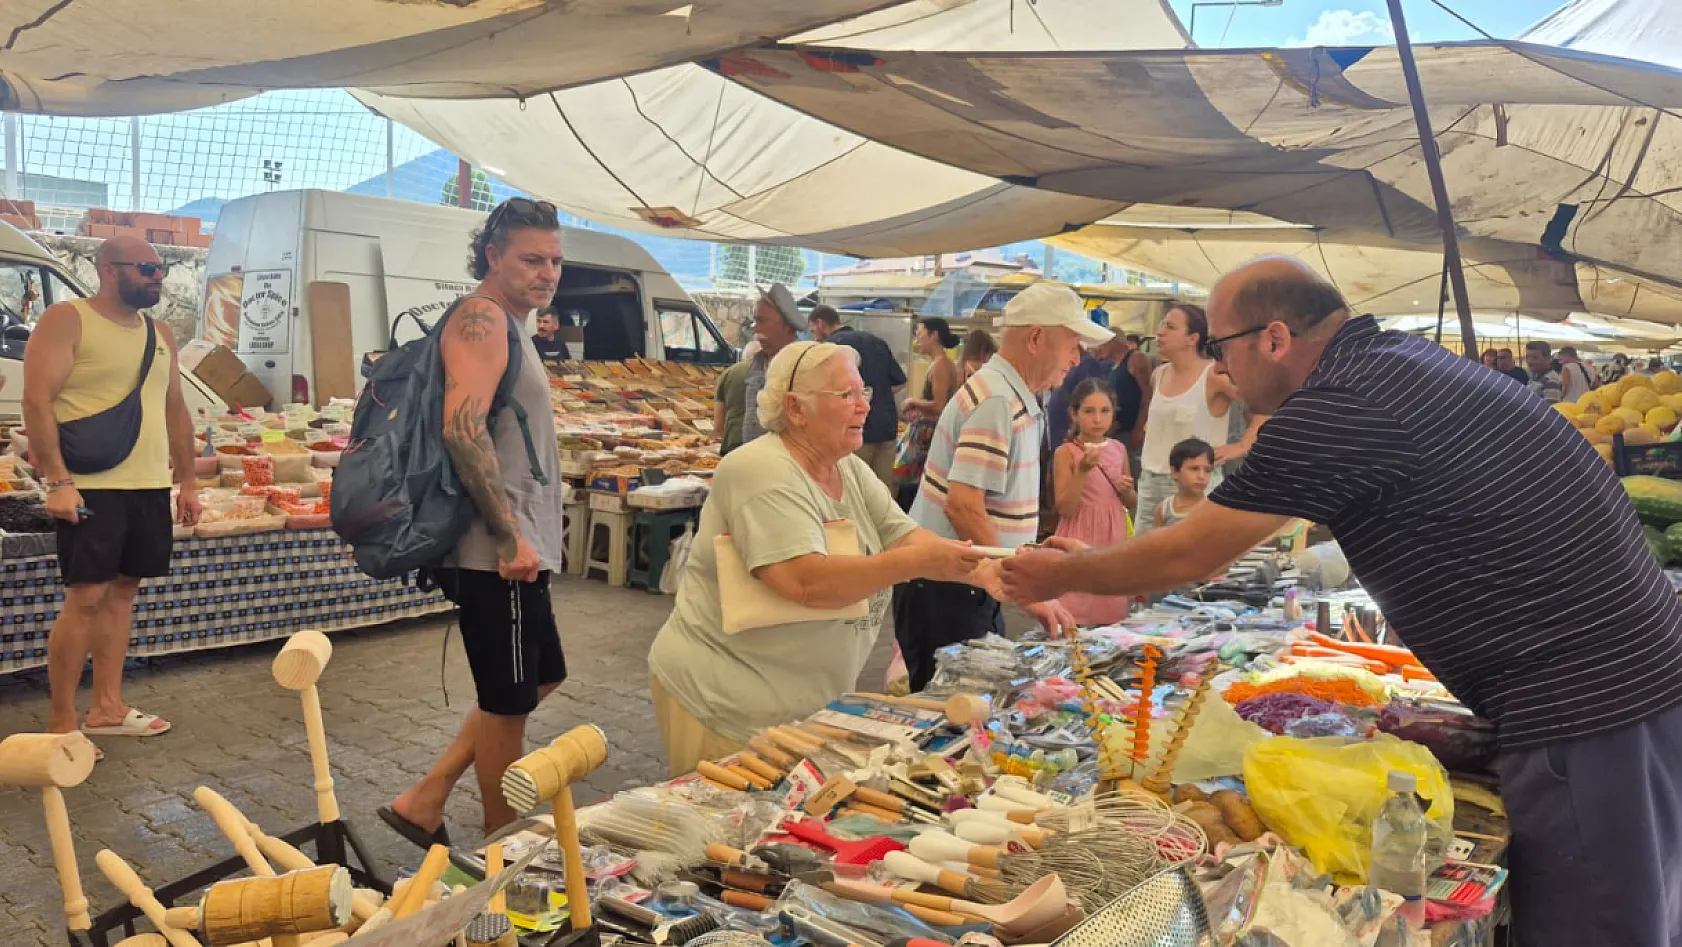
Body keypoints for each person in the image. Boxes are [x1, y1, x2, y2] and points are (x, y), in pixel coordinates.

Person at [1000, 256, 1682, 947]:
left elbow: (1193, 552)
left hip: (1591, 704)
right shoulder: (1399, 363)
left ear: (1274, 338)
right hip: (1629, 681)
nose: (1221, 371)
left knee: (1597, 926)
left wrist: (1064, 574)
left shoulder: (1339, 402)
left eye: (1221, 348)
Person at [647, 341, 985, 775]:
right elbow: (803, 580)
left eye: (865, 393)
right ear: (796, 408)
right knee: (733, 825)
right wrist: (917, 565)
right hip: (727, 699)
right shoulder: (759, 469)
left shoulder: (848, 467)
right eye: (846, 395)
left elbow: (904, 537)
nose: (863, 406)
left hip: (798, 702)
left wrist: (994, 568)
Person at [382, 197, 568, 841]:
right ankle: (501, 843)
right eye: (531, 259)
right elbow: (462, 432)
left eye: (554, 261)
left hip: (520, 545)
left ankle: (426, 797)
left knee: (540, 677)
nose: (546, 273)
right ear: (493, 256)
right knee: (507, 703)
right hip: (494, 548)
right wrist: (509, 534)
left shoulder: (512, 323)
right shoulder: (483, 320)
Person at [23, 236, 201, 754]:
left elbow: (175, 411)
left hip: (147, 485)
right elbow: (37, 401)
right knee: (85, 598)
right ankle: (61, 724)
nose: (157, 277)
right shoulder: (67, 319)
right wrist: (57, 481)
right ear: (109, 270)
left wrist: (187, 480)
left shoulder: (160, 332)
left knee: (124, 591)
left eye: (161, 267)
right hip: (92, 485)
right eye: (146, 267)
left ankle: (107, 707)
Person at [895, 282, 1109, 690]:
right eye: (1072, 344)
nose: (1076, 358)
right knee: (954, 712)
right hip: (948, 587)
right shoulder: (997, 400)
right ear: (1035, 338)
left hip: (968, 583)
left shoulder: (1013, 396)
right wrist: (1025, 588)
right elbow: (963, 506)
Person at [1132, 304, 1262, 538]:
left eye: (1170, 327)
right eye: (1162, 324)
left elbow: (1264, 405)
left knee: (1194, 555)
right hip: (1151, 480)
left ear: (1192, 338)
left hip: (1197, 484)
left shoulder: (1214, 376)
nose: (1160, 332)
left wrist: (1243, 445)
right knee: (1145, 559)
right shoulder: (1158, 374)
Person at [1050, 379, 1136, 626]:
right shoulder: (1066, 453)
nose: (1097, 419)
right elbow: (1065, 507)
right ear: (1074, 414)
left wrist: (1127, 491)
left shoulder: (1119, 449)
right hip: (1080, 534)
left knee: (1110, 608)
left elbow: (1130, 502)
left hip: (1113, 537)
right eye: (1089, 411)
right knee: (1075, 606)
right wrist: (1082, 471)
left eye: (1104, 411)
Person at [808, 305, 907, 489]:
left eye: (812, 329)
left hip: (853, 432)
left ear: (820, 323)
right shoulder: (877, 341)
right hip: (886, 429)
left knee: (852, 493)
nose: (814, 335)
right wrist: (878, 395)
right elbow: (900, 381)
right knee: (882, 493)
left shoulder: (830, 348)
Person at [897, 318, 962, 510]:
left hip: (928, 436)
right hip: (929, 433)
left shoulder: (941, 365)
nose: (918, 339)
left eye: (920, 333)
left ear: (934, 335)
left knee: (912, 490)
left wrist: (913, 402)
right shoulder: (942, 363)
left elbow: (939, 405)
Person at [739, 284, 802, 446]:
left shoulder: (804, 366)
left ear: (787, 326)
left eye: (762, 321)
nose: (756, 328)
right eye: (755, 321)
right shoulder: (758, 362)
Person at [1111, 334, 1154, 475]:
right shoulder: (1114, 365)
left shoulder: (1135, 359)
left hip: (1131, 432)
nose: (1099, 348)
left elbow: (1148, 393)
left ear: (1114, 342)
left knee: (1131, 476)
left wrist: (1139, 428)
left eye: (1102, 344)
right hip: (1117, 432)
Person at [1155, 438, 1213, 529]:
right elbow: (1158, 541)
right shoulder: (1164, 509)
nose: (1202, 476)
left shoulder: (1213, 509)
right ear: (1175, 472)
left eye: (1207, 470)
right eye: (1194, 469)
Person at [712, 341, 757, 457]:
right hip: (763, 444)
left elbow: (718, 423)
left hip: (734, 440)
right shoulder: (773, 372)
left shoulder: (728, 374)